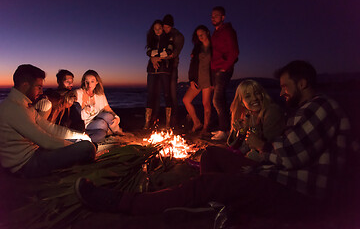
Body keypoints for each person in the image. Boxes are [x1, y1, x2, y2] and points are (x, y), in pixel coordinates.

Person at [74, 60, 355, 222]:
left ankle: (123, 202)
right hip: (274, 172)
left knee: (205, 182)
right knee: (210, 155)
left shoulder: (320, 107)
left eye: (285, 86)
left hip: (292, 190)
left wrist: (260, 145)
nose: (281, 92)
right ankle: (213, 207)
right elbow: (255, 146)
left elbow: (289, 156)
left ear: (303, 83)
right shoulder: (305, 111)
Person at [0, 64, 96, 178]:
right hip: (26, 164)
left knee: (82, 142)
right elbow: (45, 141)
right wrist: (74, 145)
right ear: (25, 85)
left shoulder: (24, 105)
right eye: (39, 87)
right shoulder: (13, 108)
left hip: (37, 151)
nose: (41, 92)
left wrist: (79, 135)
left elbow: (49, 128)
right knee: (87, 148)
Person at [225, 79, 285, 162]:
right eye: (248, 96)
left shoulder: (272, 111)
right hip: (251, 158)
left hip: (266, 161)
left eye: (257, 93)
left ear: (262, 95)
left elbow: (270, 148)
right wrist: (241, 131)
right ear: (242, 102)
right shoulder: (248, 115)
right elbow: (233, 146)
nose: (254, 98)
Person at [210, 6, 239, 141]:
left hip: (223, 69)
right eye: (212, 15)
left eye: (216, 15)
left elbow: (234, 52)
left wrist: (225, 67)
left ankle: (224, 130)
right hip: (216, 69)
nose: (213, 17)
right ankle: (225, 129)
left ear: (223, 17)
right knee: (221, 99)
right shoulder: (215, 33)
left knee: (216, 99)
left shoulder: (228, 31)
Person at [75, 70, 123, 143]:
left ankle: (117, 131)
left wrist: (116, 117)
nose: (89, 84)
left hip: (95, 120)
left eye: (92, 81)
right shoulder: (78, 93)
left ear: (97, 82)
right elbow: (76, 115)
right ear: (83, 82)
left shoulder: (100, 95)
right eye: (87, 82)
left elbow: (108, 109)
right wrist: (85, 109)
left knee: (108, 116)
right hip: (84, 124)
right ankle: (108, 132)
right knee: (103, 125)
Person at [183, 25, 213, 133]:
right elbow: (192, 64)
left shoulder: (214, 46)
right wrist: (191, 79)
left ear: (207, 32)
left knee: (206, 103)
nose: (200, 37)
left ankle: (205, 128)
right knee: (186, 100)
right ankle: (197, 122)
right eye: (198, 35)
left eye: (202, 34)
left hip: (208, 79)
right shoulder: (197, 47)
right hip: (197, 79)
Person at [144, 19, 173, 129]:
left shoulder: (168, 38)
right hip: (152, 70)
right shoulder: (151, 39)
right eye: (155, 29)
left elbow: (169, 52)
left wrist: (155, 57)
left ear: (163, 28)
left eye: (159, 28)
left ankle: (168, 123)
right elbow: (148, 52)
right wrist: (155, 56)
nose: (157, 31)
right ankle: (147, 122)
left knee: (166, 94)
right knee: (150, 94)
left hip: (164, 69)